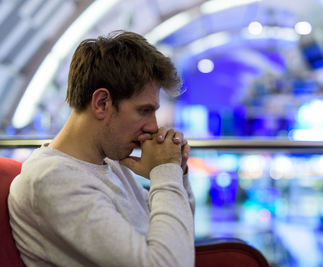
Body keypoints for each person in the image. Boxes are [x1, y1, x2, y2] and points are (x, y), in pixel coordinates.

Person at [8, 30, 195, 267]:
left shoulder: (108, 162)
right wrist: (165, 172)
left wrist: (176, 172)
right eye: (144, 110)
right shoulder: (54, 180)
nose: (154, 126)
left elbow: (177, 241)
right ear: (102, 103)